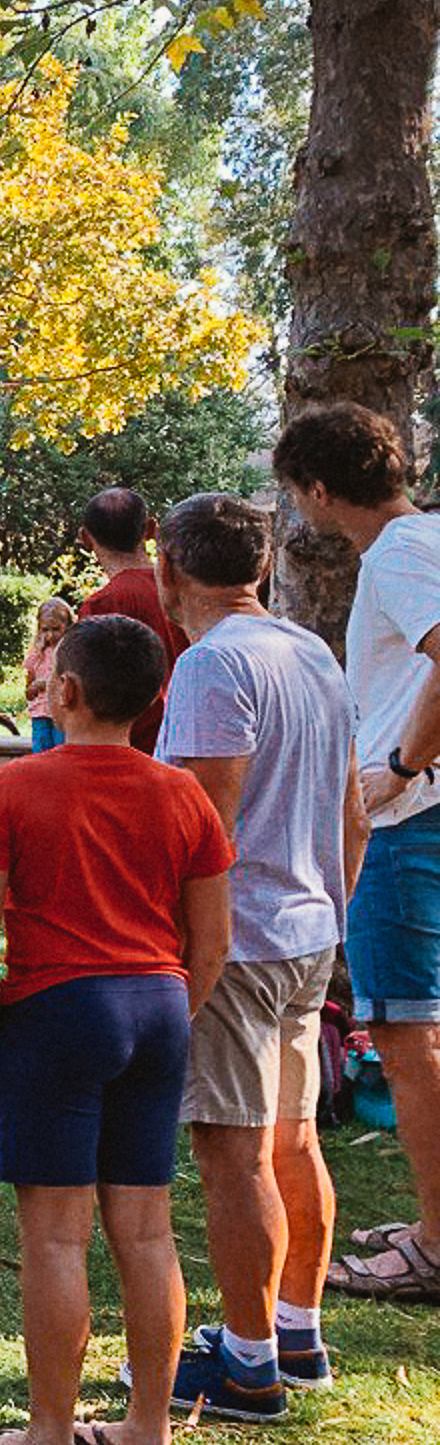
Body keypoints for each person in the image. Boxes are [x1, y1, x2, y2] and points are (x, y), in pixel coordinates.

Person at [0, 615, 231, 1445]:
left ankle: (49, 1441)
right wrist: (169, 1011)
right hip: (156, 1006)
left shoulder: (15, 788)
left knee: (56, 1237)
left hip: (56, 1010)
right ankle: (148, 1434)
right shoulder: (182, 793)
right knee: (148, 1233)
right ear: (154, 697)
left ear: (65, 690)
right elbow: (212, 940)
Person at [151, 493, 365, 1419]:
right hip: (309, 928)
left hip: (239, 942)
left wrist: (183, 947)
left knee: (235, 1156)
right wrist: (332, 908)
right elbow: (351, 812)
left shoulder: (212, 665)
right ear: (263, 567)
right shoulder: (309, 648)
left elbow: (201, 833)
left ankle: (247, 1366)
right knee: (292, 1138)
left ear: (168, 573)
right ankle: (294, 1331)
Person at [272, 402, 440, 1303]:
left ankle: (437, 1246)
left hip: (413, 822)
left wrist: (405, 766)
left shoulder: (406, 552)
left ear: (323, 490)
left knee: (407, 1031)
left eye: (299, 494)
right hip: (419, 815)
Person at [75, 487, 191, 754]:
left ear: (85, 538)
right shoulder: (187, 590)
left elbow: (92, 697)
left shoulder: (102, 605)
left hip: (133, 752)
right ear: (151, 529)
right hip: (191, 741)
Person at [21, 599, 76, 753]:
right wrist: (32, 688)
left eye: (56, 629)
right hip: (40, 713)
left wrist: (48, 684)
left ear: (68, 626)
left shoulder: (69, 653)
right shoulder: (37, 655)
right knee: (40, 752)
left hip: (62, 712)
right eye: (45, 630)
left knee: (61, 751)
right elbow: (29, 691)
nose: (50, 635)